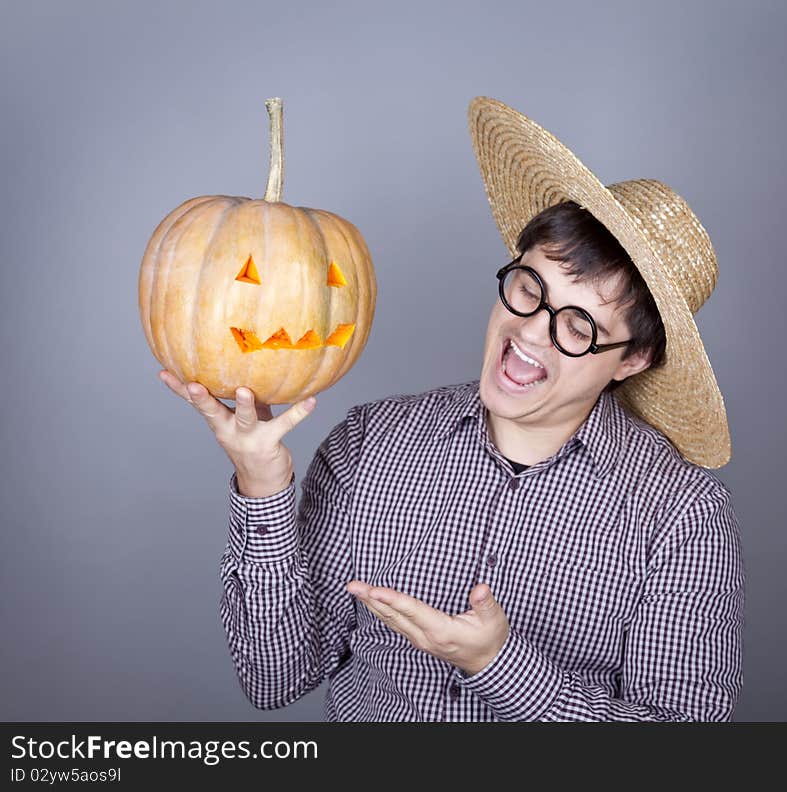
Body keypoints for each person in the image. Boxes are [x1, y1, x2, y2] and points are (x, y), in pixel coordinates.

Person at [159, 97, 743, 721]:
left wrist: (501, 667)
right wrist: (262, 484)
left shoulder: (683, 515)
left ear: (632, 360)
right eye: (529, 289)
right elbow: (275, 680)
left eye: (577, 326)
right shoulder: (369, 444)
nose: (531, 332)